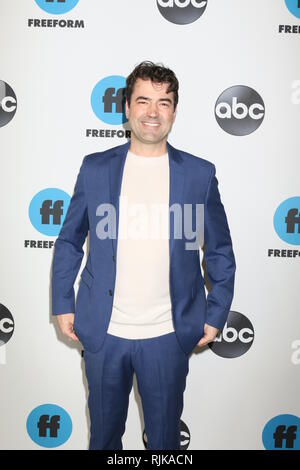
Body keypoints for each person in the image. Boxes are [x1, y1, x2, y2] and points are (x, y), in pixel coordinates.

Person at [51, 61, 236, 450]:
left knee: (164, 444)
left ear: (174, 111)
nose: (153, 112)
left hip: (168, 337)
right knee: (103, 440)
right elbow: (69, 240)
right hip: (103, 335)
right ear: (127, 108)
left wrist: (216, 312)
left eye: (163, 103)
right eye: (143, 101)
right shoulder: (96, 168)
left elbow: (219, 250)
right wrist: (63, 302)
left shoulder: (199, 175)